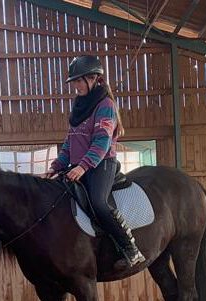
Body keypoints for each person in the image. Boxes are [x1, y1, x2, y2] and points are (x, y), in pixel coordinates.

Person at [46, 55, 145, 269]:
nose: (75, 86)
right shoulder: (80, 105)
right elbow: (70, 143)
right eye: (73, 82)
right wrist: (55, 167)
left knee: (99, 202)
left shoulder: (105, 104)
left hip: (102, 164)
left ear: (93, 79)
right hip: (79, 165)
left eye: (78, 81)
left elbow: (102, 141)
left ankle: (131, 248)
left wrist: (83, 166)